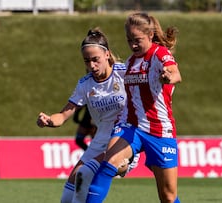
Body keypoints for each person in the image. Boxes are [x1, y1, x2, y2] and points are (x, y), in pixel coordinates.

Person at [86, 12, 182, 203]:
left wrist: (168, 77)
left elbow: (175, 73)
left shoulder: (159, 54)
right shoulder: (130, 62)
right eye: (129, 40)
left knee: (168, 197)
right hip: (132, 127)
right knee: (108, 163)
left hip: (160, 130)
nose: (133, 45)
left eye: (137, 40)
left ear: (150, 35)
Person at [37, 28, 131, 203]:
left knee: (84, 174)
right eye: (87, 61)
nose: (92, 66)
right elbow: (63, 115)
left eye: (96, 60)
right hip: (100, 140)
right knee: (66, 197)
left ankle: (122, 164)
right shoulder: (85, 84)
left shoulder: (124, 72)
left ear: (107, 55)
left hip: (124, 138)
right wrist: (49, 120)